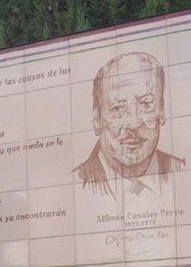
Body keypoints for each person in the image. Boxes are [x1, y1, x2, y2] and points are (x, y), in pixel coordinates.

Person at [73, 51, 185, 199]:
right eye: (117, 108)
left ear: (162, 110)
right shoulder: (75, 184)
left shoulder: (185, 172)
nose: (134, 123)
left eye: (146, 103)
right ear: (96, 120)